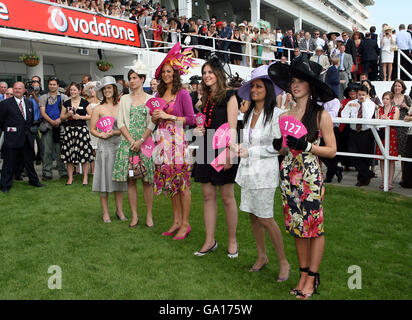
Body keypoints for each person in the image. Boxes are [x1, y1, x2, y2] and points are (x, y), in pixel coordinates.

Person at [268, 56, 337, 299]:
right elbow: (286, 149)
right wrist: (280, 146)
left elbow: (331, 150)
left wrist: (308, 146)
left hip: (310, 177)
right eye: (292, 81)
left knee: (314, 228)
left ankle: (311, 277)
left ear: (311, 85)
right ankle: (303, 274)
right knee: (297, 228)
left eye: (300, 81)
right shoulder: (285, 114)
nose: (295, 85)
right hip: (288, 176)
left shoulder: (320, 116)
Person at [235, 65, 290, 279]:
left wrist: (251, 151)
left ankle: (283, 262)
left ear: (267, 89)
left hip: (265, 173)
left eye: (259, 86)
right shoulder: (248, 114)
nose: (254, 90)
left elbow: (280, 147)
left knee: (266, 218)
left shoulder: (277, 114)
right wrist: (240, 148)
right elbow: (247, 141)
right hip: (248, 172)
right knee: (253, 215)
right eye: (252, 87)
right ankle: (261, 255)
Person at [192, 56, 239, 258]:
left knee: (227, 197)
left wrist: (230, 153)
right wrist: (198, 129)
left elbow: (233, 128)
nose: (206, 76)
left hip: (223, 148)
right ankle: (210, 241)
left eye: (210, 72)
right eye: (204, 73)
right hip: (205, 147)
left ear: (218, 74)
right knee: (207, 196)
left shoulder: (231, 96)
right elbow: (202, 122)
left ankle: (232, 241)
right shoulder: (204, 98)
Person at [152, 42, 196, 240]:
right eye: (164, 72)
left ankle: (185, 223)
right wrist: (156, 117)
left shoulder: (183, 93)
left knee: (182, 184)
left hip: (177, 142)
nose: (166, 74)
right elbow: (155, 117)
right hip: (162, 142)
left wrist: (169, 117)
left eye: (169, 71)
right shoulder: (159, 94)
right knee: (171, 183)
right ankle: (176, 220)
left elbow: (192, 119)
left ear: (175, 73)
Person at [113, 62, 155, 228]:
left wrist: (141, 141)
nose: (131, 81)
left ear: (142, 79)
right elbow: (121, 122)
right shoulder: (124, 99)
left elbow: (152, 123)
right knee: (131, 179)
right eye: (130, 78)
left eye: (134, 78)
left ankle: (149, 215)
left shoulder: (151, 99)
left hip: (145, 145)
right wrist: (132, 141)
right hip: (129, 145)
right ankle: (135, 216)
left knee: (147, 180)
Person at [90, 76, 128, 223]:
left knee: (119, 181)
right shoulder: (98, 108)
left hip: (119, 146)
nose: (107, 91)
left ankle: (119, 211)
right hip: (104, 148)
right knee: (104, 181)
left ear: (114, 90)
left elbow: (125, 127)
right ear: (102, 91)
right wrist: (101, 134)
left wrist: (115, 132)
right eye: (105, 88)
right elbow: (93, 129)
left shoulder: (121, 107)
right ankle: (105, 213)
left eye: (109, 88)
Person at [0, 82, 45, 193]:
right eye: (15, 88)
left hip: (27, 138)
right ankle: (5, 185)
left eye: (19, 88)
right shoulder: (5, 104)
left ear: (24, 90)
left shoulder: (29, 103)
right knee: (9, 162)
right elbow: (1, 121)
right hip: (12, 138)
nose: (17, 90)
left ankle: (34, 181)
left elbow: (29, 120)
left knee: (29, 162)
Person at [59, 82, 94, 185]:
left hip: (81, 130)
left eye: (74, 90)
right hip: (69, 131)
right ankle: (70, 178)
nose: (72, 92)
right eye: (71, 90)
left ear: (79, 91)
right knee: (69, 155)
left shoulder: (84, 102)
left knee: (84, 154)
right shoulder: (66, 103)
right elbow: (61, 118)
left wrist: (80, 117)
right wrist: (67, 115)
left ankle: (85, 178)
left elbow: (92, 115)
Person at [341, 85, 376, 186]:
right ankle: (368, 174)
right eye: (359, 94)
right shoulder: (352, 103)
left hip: (365, 133)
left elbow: (367, 117)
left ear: (367, 95)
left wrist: (363, 103)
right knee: (352, 155)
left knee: (364, 157)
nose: (361, 96)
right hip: (353, 132)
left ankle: (362, 179)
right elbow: (344, 115)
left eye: (363, 95)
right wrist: (350, 111)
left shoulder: (371, 104)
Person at [39, 77, 68, 180]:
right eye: (50, 84)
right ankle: (47, 173)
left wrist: (59, 120)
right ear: (48, 85)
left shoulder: (64, 97)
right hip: (47, 127)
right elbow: (42, 112)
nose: (52, 86)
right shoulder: (43, 97)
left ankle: (63, 172)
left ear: (58, 85)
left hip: (60, 128)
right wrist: (51, 121)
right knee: (47, 151)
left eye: (54, 84)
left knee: (60, 151)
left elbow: (67, 112)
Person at [376, 92, 399, 190]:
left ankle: (389, 182)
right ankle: (383, 180)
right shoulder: (379, 109)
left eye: (387, 99)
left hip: (391, 135)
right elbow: (376, 121)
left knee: (391, 159)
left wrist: (387, 119)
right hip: (382, 135)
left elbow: (395, 121)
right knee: (382, 158)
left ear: (391, 100)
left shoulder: (395, 109)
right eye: (384, 99)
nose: (385, 101)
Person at [391, 79, 412, 185]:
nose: (397, 88)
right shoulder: (390, 98)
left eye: (399, 86)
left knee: (404, 153)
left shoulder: (407, 98)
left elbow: (411, 111)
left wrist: (406, 107)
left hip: (404, 128)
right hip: (393, 128)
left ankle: (405, 177)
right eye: (395, 86)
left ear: (402, 88)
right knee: (391, 153)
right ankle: (389, 179)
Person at [83, 81, 100, 174]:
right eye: (90, 88)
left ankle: (98, 169)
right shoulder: (86, 102)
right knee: (91, 149)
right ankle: (92, 170)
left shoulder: (101, 102)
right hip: (89, 126)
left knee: (98, 149)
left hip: (99, 127)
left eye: (93, 88)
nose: (92, 90)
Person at [401, 105, 412, 188]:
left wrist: (410, 118)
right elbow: (407, 116)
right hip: (411, 133)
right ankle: (407, 181)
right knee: (408, 157)